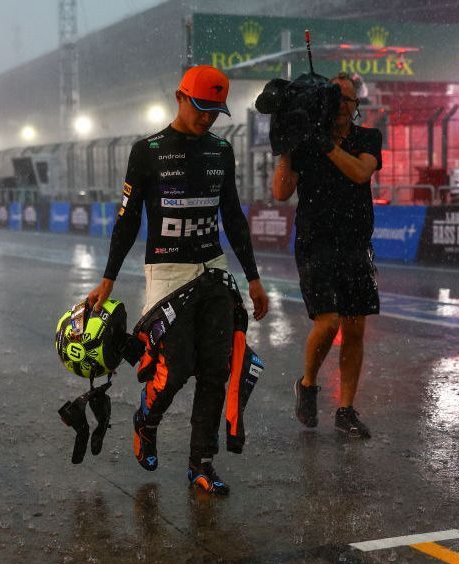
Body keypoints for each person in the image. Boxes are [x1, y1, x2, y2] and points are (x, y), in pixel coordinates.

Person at [87, 65, 269, 495]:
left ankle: (201, 465)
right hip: (168, 274)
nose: (207, 118)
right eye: (201, 108)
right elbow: (127, 220)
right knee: (175, 368)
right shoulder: (147, 151)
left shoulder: (222, 151)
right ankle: (145, 420)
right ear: (179, 98)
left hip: (214, 270)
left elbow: (233, 216)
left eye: (215, 111)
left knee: (216, 369)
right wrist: (108, 279)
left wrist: (254, 278)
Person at [272, 71, 383, 439]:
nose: (340, 107)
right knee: (330, 321)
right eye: (333, 100)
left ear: (355, 106)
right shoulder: (306, 143)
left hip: (355, 243)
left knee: (355, 328)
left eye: (346, 101)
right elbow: (280, 193)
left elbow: (360, 172)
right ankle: (307, 384)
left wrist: (325, 145)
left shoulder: (367, 138)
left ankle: (346, 409)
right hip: (315, 243)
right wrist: (285, 146)